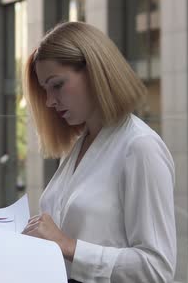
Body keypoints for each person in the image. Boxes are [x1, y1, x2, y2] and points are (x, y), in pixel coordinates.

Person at [21, 22, 176, 282]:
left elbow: (157, 269)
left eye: (57, 85)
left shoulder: (140, 147)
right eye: (45, 90)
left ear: (95, 72)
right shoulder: (79, 145)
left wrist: (68, 246)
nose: (49, 101)